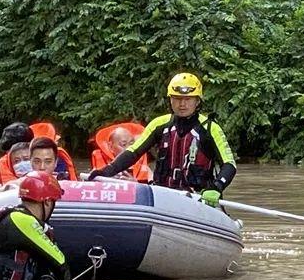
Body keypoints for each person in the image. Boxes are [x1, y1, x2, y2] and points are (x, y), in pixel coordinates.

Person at [87, 73, 236, 206]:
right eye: (177, 99)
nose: (182, 104)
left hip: (198, 198)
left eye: (188, 99)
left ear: (197, 101)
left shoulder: (211, 128)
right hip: (163, 195)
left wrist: (216, 187)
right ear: (170, 100)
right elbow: (133, 152)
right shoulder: (159, 124)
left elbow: (229, 164)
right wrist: (106, 171)